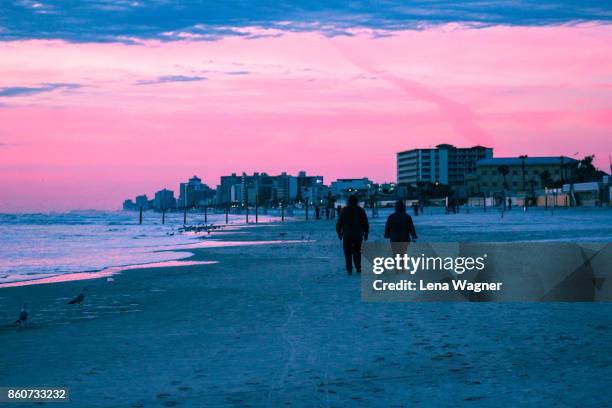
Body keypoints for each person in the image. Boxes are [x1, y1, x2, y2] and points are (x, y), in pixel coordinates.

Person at [336, 195, 369, 275]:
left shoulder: (344, 210)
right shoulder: (360, 210)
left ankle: (349, 269)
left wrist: (339, 234)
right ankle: (358, 267)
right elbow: (365, 223)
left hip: (347, 235)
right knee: (357, 252)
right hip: (358, 235)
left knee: (347, 253)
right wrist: (366, 234)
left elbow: (339, 224)